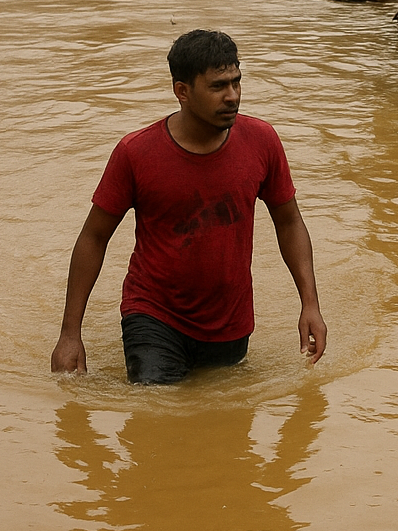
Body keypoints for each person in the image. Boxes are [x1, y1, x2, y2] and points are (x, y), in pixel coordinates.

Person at [50, 29, 327, 383]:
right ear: (182, 91)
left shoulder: (262, 142)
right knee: (156, 414)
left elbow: (289, 223)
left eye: (236, 82)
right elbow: (94, 237)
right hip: (153, 314)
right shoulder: (135, 153)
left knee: (224, 428)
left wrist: (310, 304)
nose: (232, 96)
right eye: (217, 87)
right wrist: (70, 335)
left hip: (231, 322)